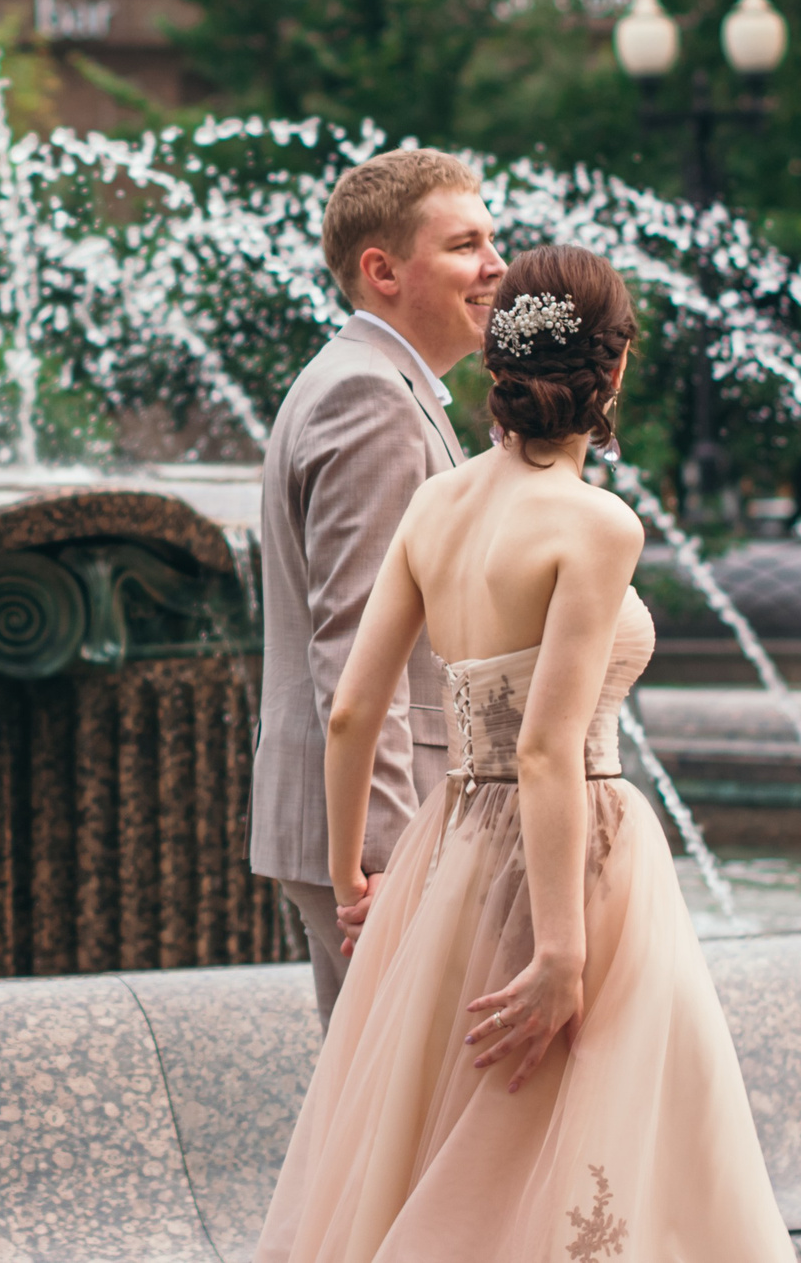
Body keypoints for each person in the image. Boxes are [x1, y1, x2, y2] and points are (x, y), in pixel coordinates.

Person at [256, 246, 792, 1263]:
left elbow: (352, 710)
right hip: (575, 857)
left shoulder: (437, 503)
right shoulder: (595, 524)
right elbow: (547, 751)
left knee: (451, 1139)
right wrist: (559, 952)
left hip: (448, 852)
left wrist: (349, 879)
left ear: (499, 362)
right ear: (615, 368)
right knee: (577, 1139)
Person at [253, 147, 505, 1024]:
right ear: (383, 270)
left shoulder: (382, 385)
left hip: (361, 818)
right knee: (422, 1115)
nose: (496, 266)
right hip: (381, 829)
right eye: (467, 245)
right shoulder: (371, 397)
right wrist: (392, 857)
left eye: (493, 240)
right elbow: (356, 650)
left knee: (373, 1122)